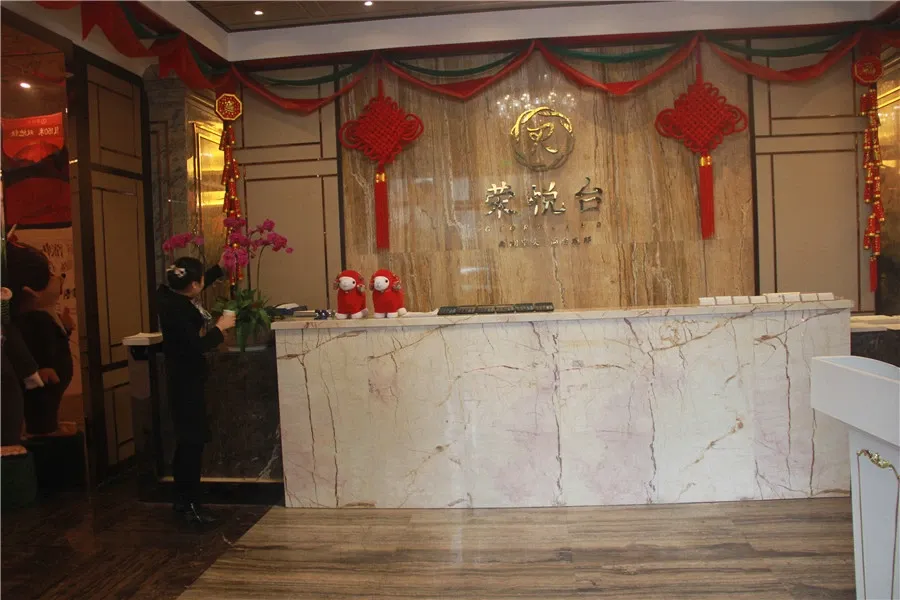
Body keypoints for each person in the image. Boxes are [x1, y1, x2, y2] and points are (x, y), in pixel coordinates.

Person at [157, 255, 235, 525]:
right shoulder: (180, 310)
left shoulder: (169, 297)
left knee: (188, 441)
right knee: (192, 442)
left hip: (181, 379)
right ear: (193, 284)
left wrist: (218, 269)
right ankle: (190, 504)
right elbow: (195, 346)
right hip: (186, 382)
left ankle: (183, 500)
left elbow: (194, 284)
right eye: (201, 279)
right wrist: (220, 329)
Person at [6, 243, 75, 436]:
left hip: (44, 388)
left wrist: (66, 329)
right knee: (41, 411)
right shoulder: (28, 322)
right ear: (29, 293)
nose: (58, 279)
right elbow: (31, 348)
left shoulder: (18, 323)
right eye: (49, 276)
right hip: (41, 388)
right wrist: (40, 367)